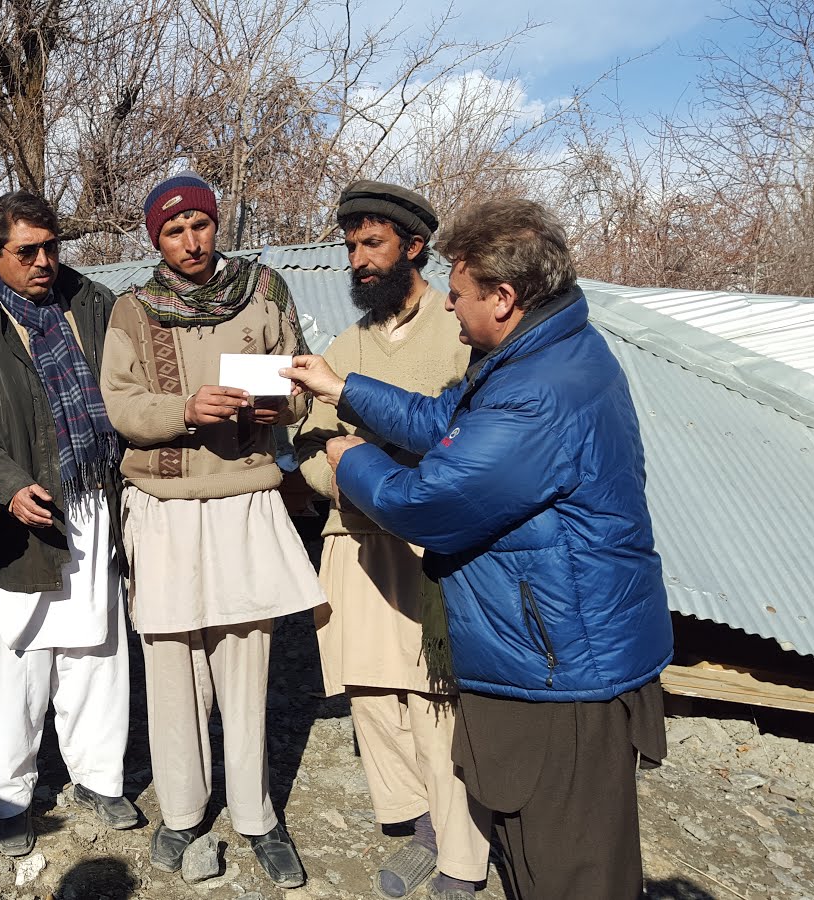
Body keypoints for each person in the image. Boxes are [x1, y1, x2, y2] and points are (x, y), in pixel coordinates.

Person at [282, 198, 673, 900]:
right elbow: (443, 423)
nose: (452, 311)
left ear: (504, 296)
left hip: (563, 675)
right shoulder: (537, 355)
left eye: (459, 297)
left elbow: (429, 503)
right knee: (537, 860)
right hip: (557, 656)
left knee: (570, 873)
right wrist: (343, 388)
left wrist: (348, 461)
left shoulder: (538, 393)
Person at [101, 171, 323, 888]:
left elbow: (299, 381)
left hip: (245, 498)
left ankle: (257, 814)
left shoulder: (264, 290)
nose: (191, 242)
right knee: (171, 664)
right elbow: (122, 405)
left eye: (200, 224)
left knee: (245, 657)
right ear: (154, 238)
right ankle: (182, 811)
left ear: (216, 222)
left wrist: (276, 404)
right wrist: (185, 410)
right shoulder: (132, 310)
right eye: (174, 230)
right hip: (164, 505)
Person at [293, 182, 489, 900]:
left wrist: (394, 472)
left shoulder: (457, 329)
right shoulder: (345, 346)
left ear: (413, 247)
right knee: (373, 696)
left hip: (430, 547)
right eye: (350, 247)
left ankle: (464, 854)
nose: (358, 261)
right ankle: (417, 832)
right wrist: (333, 479)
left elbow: (471, 438)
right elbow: (309, 440)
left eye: (372, 245)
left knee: (437, 703)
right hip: (354, 538)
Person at [0, 191, 137, 857]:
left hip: (95, 498)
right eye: (28, 252)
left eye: (53, 247)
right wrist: (8, 484)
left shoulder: (94, 304)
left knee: (97, 647)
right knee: (18, 659)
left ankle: (99, 780)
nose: (45, 262)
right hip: (19, 514)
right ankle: (10, 798)